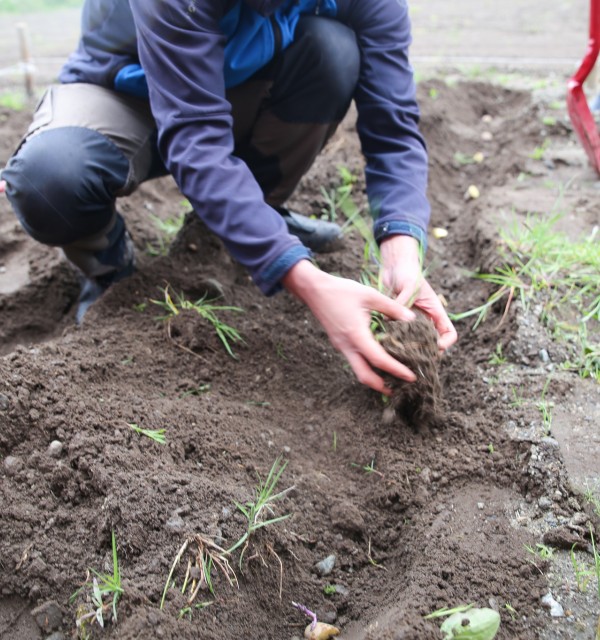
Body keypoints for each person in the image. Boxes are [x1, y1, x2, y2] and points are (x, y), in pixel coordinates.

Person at [0, 0, 457, 395]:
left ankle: (237, 228)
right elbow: (196, 141)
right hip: (124, 89)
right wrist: (308, 282)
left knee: (332, 52)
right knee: (49, 178)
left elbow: (393, 130)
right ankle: (109, 270)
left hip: (239, 90)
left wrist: (402, 246)